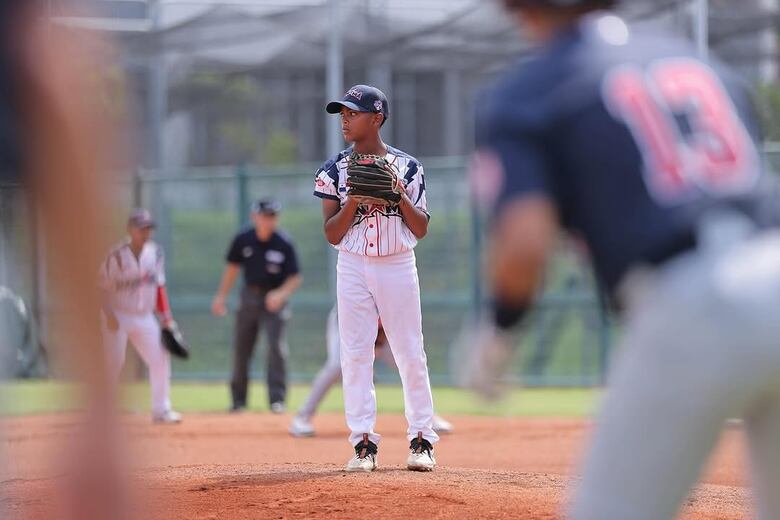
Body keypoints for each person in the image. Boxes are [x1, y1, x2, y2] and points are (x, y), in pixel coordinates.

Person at [469, 0, 780, 518]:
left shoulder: (528, 91)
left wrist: (499, 331)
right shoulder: (696, 60)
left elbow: (524, 245)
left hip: (692, 302)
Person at [315, 84, 439, 472]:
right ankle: (363, 443)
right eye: (343, 114)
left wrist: (398, 195)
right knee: (354, 353)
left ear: (377, 118)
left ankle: (422, 440)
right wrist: (354, 199)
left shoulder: (409, 167)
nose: (345, 120)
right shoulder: (333, 170)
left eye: (353, 113)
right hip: (352, 264)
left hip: (397, 263)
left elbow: (421, 228)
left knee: (409, 351)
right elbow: (332, 233)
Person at [289, 306, 454, 437]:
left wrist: (379, 343)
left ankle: (427, 417)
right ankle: (302, 418)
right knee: (336, 365)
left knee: (412, 363)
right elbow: (352, 321)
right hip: (348, 322)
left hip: (385, 331)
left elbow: (399, 322)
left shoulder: (398, 284)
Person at [211, 198, 302, 414]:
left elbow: (295, 277)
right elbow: (232, 269)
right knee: (241, 348)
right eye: (265, 216)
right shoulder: (244, 239)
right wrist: (221, 296)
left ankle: (277, 400)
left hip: (274, 301)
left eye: (273, 216)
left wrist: (280, 294)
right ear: (255, 217)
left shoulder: (284, 242)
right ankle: (238, 400)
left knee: (276, 348)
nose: (269, 220)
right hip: (249, 297)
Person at [100, 209, 181, 424]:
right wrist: (109, 315)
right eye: (141, 228)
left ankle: (161, 410)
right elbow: (102, 289)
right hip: (117, 314)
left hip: (144, 316)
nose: (146, 232)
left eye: (148, 228)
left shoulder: (156, 253)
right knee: (114, 362)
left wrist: (166, 317)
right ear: (130, 230)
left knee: (160, 357)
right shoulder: (116, 256)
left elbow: (159, 287)